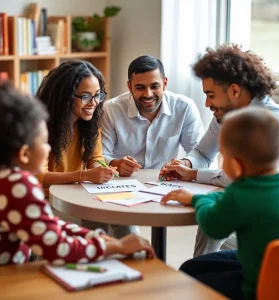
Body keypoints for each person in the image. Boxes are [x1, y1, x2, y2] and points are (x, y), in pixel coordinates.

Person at [159, 44, 279, 257]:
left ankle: (200, 276)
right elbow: (204, 153)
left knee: (215, 230)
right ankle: (200, 273)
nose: (207, 103)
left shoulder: (271, 125)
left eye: (210, 94)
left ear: (234, 91)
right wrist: (186, 164)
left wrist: (195, 177)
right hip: (256, 208)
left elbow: (238, 179)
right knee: (213, 240)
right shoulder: (226, 115)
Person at [0, 82, 155, 266]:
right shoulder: (19, 186)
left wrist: (100, 239)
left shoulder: (9, 180)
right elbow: (57, 248)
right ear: (24, 154)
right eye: (43, 142)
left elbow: (52, 226)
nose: (49, 147)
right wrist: (116, 247)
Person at [161, 107, 279, 300]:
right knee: (195, 266)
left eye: (223, 156)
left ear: (235, 165)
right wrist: (218, 197)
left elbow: (212, 226)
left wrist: (196, 199)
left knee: (190, 274)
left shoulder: (240, 193)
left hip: (256, 286)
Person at [36, 60, 136, 238]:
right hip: (47, 199)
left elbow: (94, 157)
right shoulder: (39, 126)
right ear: (64, 96)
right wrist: (84, 176)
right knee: (97, 225)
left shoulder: (88, 122)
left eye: (98, 95)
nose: (94, 102)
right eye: (85, 96)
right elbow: (39, 177)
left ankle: (127, 262)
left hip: (77, 194)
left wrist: (100, 168)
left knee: (126, 220)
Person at [101, 55, 203, 177]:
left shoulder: (184, 107)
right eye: (140, 87)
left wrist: (185, 163)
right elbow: (98, 156)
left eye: (154, 86)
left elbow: (200, 154)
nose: (148, 94)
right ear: (129, 87)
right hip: (121, 181)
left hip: (165, 181)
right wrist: (114, 163)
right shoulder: (110, 109)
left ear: (165, 83)